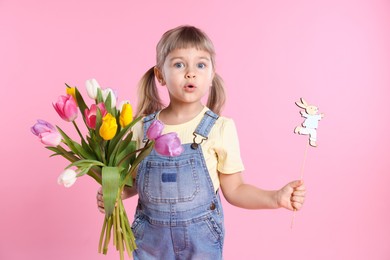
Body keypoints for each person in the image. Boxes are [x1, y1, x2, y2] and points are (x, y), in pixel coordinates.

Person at [97, 25, 306, 259]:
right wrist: (113, 193)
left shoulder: (220, 128)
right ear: (160, 75)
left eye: (200, 64)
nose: (190, 73)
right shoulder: (140, 128)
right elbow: (135, 183)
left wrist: (275, 197)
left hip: (201, 241)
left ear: (211, 75)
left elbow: (235, 189)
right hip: (150, 241)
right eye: (178, 64)